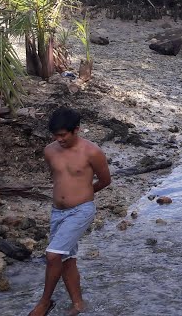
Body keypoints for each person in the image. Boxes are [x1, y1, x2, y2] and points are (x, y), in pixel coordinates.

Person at [28, 107, 111, 316]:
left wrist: (83, 193)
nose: (59, 139)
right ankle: (78, 305)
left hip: (81, 210)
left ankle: (44, 302)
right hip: (57, 212)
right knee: (66, 259)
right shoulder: (49, 150)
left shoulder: (92, 152)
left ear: (76, 130)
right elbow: (59, 177)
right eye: (55, 135)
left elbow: (105, 180)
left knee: (53, 255)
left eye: (63, 135)